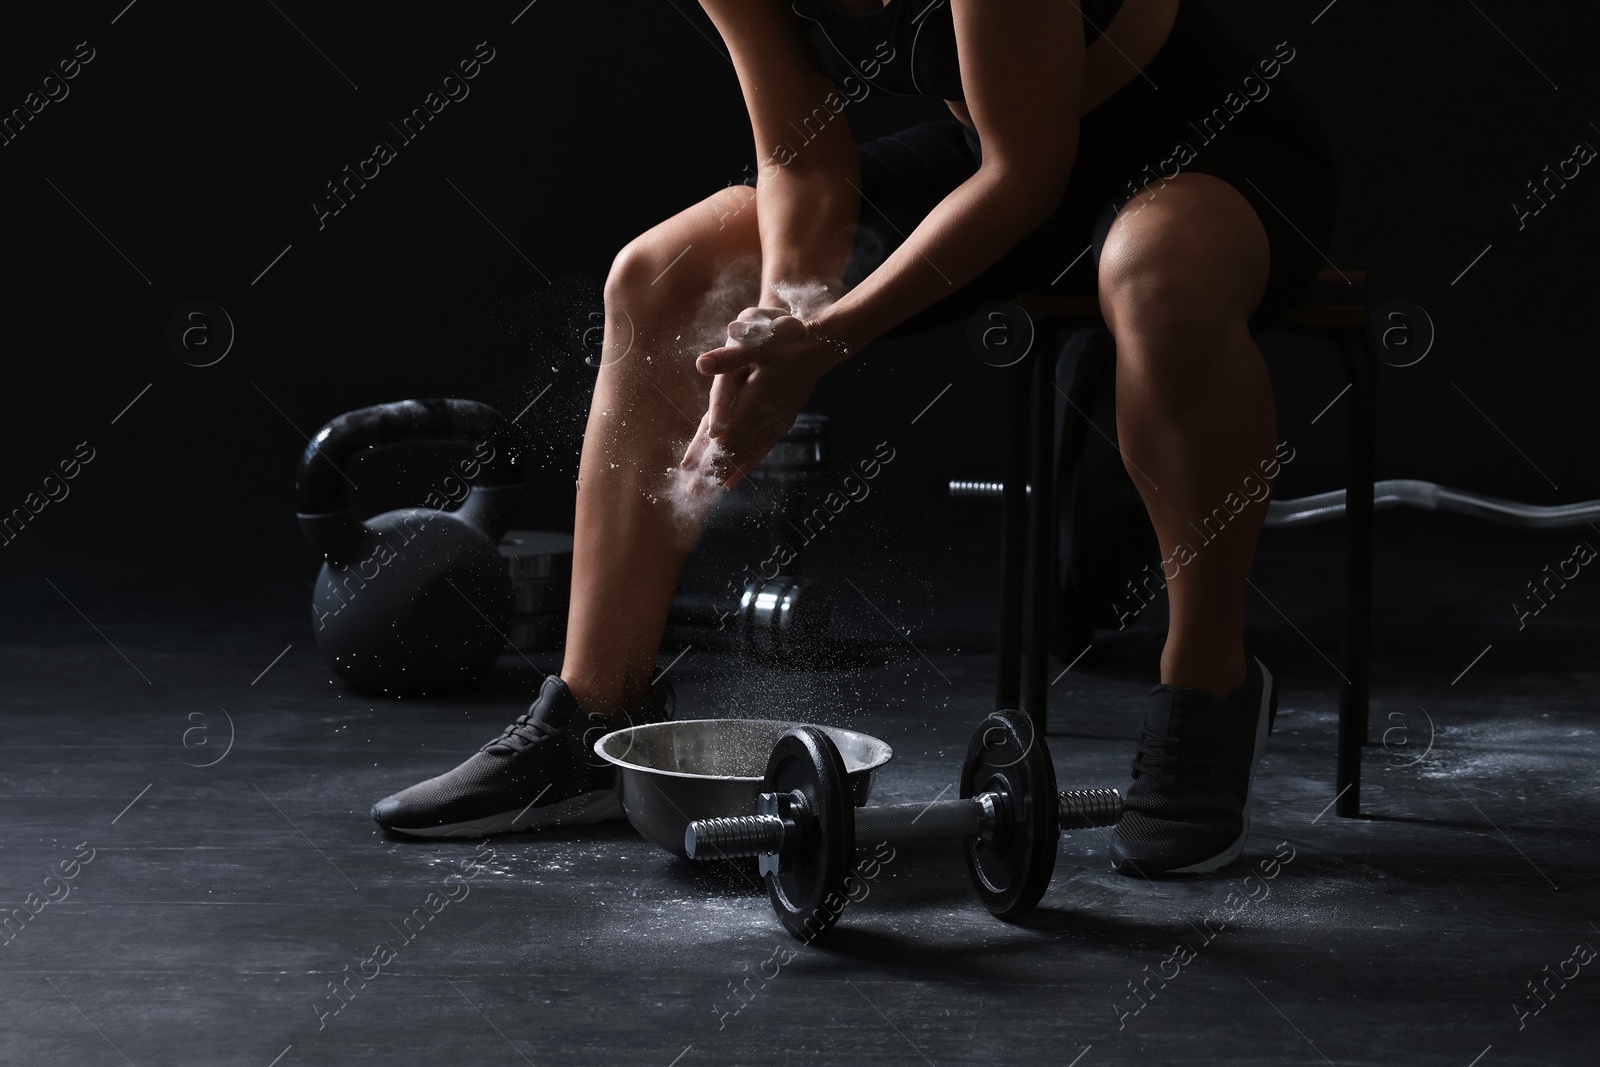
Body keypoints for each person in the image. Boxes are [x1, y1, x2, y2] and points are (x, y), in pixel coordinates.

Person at [372, 0, 1338, 877]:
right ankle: (591, 720)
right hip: (994, 161)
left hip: (1200, 146)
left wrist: (824, 343)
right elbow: (800, 156)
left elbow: (1027, 172)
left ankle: (1207, 684)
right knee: (658, 280)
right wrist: (774, 325)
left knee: (1150, 274)